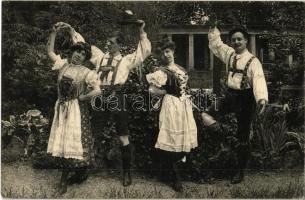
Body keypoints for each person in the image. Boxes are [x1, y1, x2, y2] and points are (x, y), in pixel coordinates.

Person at [65, 20, 151, 186]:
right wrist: (72, 32)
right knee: (91, 135)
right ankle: (81, 172)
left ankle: (126, 174)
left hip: (117, 97)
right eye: (107, 41)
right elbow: (84, 45)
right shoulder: (99, 56)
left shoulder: (127, 60)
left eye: (111, 42)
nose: (107, 44)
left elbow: (144, 51)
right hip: (99, 97)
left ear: (119, 45)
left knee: (123, 136)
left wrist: (141, 30)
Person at [208, 21, 268, 184]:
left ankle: (239, 172)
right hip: (230, 96)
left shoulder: (253, 61)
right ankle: (226, 139)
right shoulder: (229, 54)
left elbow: (259, 80)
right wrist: (213, 29)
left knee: (242, 136)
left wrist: (261, 99)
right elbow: (217, 45)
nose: (236, 42)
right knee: (207, 114)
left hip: (246, 99)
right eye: (233, 39)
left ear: (246, 41)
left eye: (239, 39)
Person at [46, 22, 101, 195]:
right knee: (64, 142)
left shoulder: (87, 72)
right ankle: (80, 173)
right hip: (61, 108)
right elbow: (49, 52)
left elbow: (97, 91)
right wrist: (54, 33)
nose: (79, 55)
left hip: (76, 110)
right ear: (73, 51)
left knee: (74, 142)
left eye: (83, 54)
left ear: (85, 58)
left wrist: (82, 98)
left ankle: (64, 181)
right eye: (77, 51)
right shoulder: (63, 65)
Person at [145, 37, 197, 192]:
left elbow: (187, 89)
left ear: (173, 51)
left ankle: (177, 172)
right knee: (171, 139)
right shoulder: (160, 71)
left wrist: (192, 104)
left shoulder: (181, 69)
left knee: (183, 139)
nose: (166, 55)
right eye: (162, 53)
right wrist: (165, 91)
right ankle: (175, 177)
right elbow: (152, 90)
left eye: (168, 51)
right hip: (170, 106)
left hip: (184, 106)